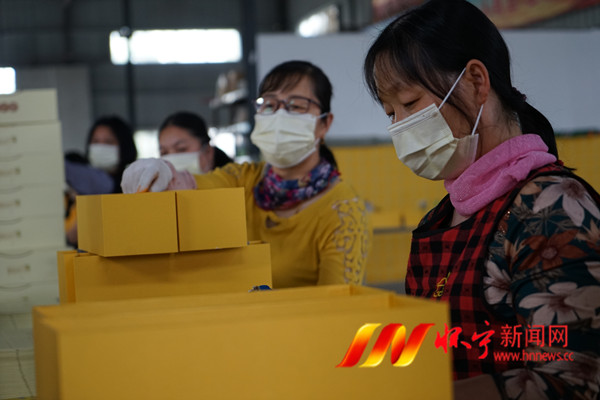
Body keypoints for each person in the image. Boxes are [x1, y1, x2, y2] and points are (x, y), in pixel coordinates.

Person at [363, 1, 600, 399]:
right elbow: (432, 346)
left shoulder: (553, 210)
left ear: (475, 82)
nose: (400, 126)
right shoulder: (442, 217)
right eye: (390, 113)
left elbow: (575, 382)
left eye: (410, 103)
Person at [121, 60, 372, 288]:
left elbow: (337, 307)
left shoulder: (343, 211)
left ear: (324, 124)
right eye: (269, 105)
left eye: (296, 106)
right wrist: (162, 172)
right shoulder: (244, 179)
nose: (279, 116)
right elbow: (191, 185)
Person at [64, 116, 138, 246]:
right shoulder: (80, 186)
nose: (100, 147)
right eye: (95, 141)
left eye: (108, 142)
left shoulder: (130, 183)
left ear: (124, 146)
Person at [157, 111, 232, 174]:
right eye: (164, 152)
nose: (171, 157)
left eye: (181, 149)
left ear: (208, 152)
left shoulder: (233, 183)